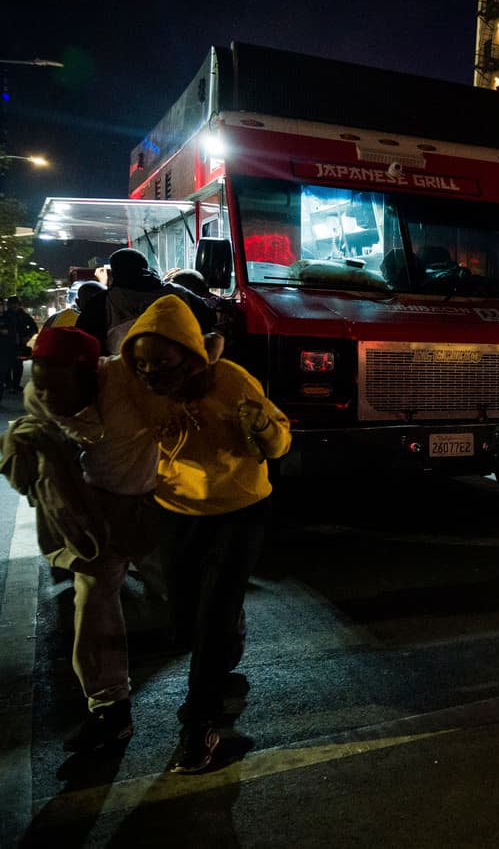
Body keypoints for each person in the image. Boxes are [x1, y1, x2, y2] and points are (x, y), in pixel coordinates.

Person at [121, 295, 291, 772]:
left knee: (211, 617)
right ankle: (227, 631)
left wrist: (261, 427)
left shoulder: (232, 381)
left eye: (163, 361)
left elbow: (279, 439)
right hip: (175, 509)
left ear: (189, 354)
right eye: (143, 363)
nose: (152, 372)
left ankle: (201, 726)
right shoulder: (135, 384)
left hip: (239, 511)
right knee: (183, 617)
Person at [1, 328, 163, 753]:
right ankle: (110, 707)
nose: (48, 396)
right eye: (41, 383)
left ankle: (225, 645)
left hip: (151, 500)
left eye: (59, 386)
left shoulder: (129, 387)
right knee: (93, 604)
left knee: (187, 591)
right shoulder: (40, 397)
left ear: (89, 376)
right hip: (95, 512)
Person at [76, 248, 216, 354]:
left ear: (115, 272)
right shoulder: (179, 293)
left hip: (124, 377)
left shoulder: (101, 303)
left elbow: (84, 343)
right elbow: (209, 320)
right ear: (146, 267)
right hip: (176, 369)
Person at [1, 296, 39, 396]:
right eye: (12, 304)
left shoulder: (23, 316)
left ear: (18, 305)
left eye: (16, 303)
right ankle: (8, 385)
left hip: (19, 344)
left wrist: (27, 336)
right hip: (6, 344)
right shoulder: (4, 316)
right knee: (6, 366)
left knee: (18, 365)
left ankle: (15, 385)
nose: (14, 306)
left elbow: (34, 327)